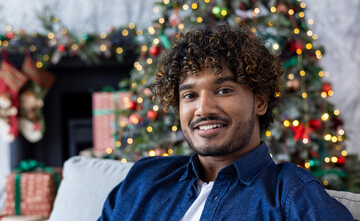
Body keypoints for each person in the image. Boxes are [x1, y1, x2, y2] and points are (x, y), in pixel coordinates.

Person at [98, 24, 354, 220]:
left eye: (224, 91)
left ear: (260, 102)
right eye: (190, 95)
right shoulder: (145, 179)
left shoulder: (291, 193)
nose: (203, 109)